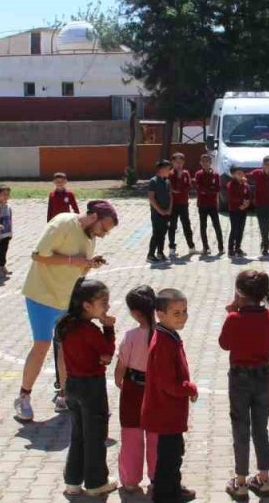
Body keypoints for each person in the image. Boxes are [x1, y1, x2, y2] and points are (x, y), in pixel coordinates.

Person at [15, 201, 117, 423]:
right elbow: (38, 255)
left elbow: (79, 269)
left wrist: (89, 264)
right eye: (104, 228)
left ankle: (64, 395)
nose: (103, 234)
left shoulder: (90, 237)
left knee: (65, 350)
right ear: (93, 216)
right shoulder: (63, 222)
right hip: (41, 296)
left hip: (66, 300)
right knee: (41, 346)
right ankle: (24, 397)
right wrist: (74, 260)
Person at [219, 270, 269, 498]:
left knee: (240, 427)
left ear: (240, 293)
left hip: (240, 376)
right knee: (260, 428)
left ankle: (241, 481)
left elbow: (224, 344)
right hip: (263, 375)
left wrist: (232, 311)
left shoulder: (235, 318)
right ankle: (264, 478)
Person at [56, 279, 118, 497]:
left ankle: (73, 481)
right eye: (103, 301)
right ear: (86, 305)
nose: (107, 306)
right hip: (92, 386)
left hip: (72, 385)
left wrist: (62, 387)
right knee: (95, 435)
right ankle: (96, 482)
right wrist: (109, 328)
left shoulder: (64, 325)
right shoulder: (90, 330)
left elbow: (62, 357)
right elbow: (107, 354)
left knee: (78, 434)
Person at [143, 288, 198, 503]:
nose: (183, 316)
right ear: (160, 314)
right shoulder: (163, 343)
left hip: (169, 411)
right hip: (165, 410)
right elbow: (168, 384)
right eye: (176, 313)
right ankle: (166, 495)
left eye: (184, 311)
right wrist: (189, 388)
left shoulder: (168, 335)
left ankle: (173, 489)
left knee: (174, 453)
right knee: (169, 457)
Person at [115, 286, 157, 494]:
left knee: (131, 434)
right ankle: (157, 477)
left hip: (133, 388)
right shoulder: (164, 334)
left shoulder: (131, 336)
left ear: (135, 313)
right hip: (157, 390)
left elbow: (121, 364)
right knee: (155, 435)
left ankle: (130, 479)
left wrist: (117, 380)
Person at [250, 156, 269, 257]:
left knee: (266, 224)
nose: (268, 166)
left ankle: (265, 245)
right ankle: (265, 244)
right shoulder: (257, 173)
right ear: (262, 165)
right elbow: (245, 177)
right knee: (262, 224)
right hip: (259, 203)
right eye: (266, 164)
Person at [195, 154, 224, 255]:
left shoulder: (215, 175)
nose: (205, 163)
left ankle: (221, 246)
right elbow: (199, 188)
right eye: (203, 161)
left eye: (207, 161)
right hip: (202, 204)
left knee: (217, 225)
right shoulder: (198, 174)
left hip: (212, 204)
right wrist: (209, 190)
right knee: (203, 226)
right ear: (200, 163)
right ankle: (205, 246)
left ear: (210, 163)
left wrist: (208, 190)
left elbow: (217, 188)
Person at [167, 153, 196, 254]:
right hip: (173, 204)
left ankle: (191, 246)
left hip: (183, 203)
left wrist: (181, 189)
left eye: (181, 162)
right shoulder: (170, 174)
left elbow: (188, 187)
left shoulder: (186, 173)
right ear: (173, 163)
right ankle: (172, 248)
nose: (179, 165)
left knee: (186, 225)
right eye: (176, 162)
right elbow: (173, 188)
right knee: (172, 226)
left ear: (183, 163)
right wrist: (178, 179)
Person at [147, 160, 173, 263]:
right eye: (168, 169)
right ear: (161, 169)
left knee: (163, 233)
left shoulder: (167, 181)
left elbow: (170, 196)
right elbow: (151, 198)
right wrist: (160, 210)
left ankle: (160, 252)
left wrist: (169, 209)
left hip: (166, 212)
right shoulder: (153, 181)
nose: (169, 171)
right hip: (157, 213)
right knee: (156, 233)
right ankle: (150, 254)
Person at [227, 166, 252, 258]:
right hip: (234, 210)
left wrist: (247, 203)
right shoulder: (231, 184)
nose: (241, 175)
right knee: (234, 229)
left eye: (242, 173)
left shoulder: (245, 184)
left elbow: (248, 194)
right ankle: (230, 248)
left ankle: (238, 247)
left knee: (241, 229)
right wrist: (241, 203)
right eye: (238, 173)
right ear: (233, 175)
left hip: (243, 209)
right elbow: (232, 197)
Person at [0, 185, 14, 282]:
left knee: (4, 251)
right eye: (3, 194)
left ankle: (2, 266)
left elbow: (10, 220)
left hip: (7, 234)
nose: (6, 196)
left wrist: (10, 232)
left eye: (7, 194)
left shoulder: (8, 206)